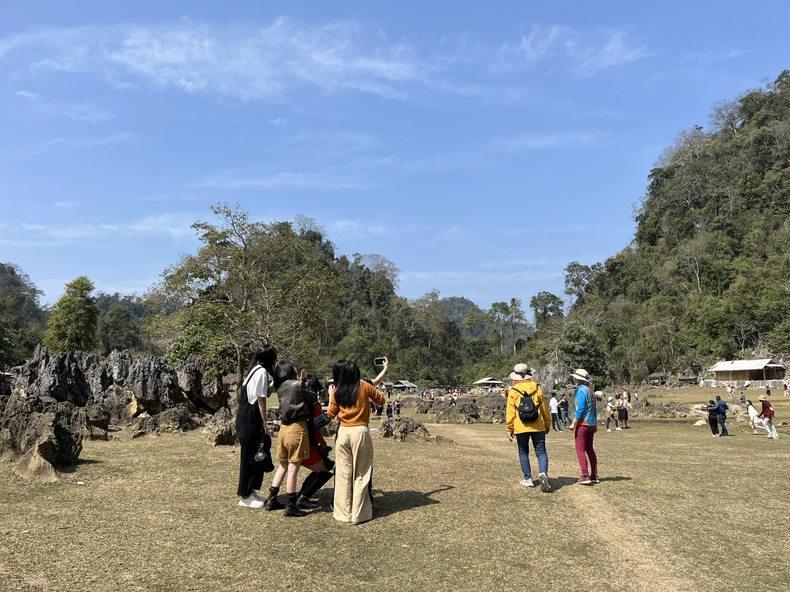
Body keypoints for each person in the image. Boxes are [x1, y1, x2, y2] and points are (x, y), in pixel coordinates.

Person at [327, 358, 388, 525]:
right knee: (361, 473)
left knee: (343, 473)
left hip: (343, 433)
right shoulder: (364, 387)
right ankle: (359, 514)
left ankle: (343, 513)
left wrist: (330, 395)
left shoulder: (337, 391)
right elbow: (381, 400)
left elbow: (331, 414)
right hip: (360, 432)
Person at [263, 362, 314, 517]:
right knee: (293, 467)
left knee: (283, 465)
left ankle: (272, 498)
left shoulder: (281, 387)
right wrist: (303, 381)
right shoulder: (298, 385)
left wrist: (299, 380)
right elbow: (312, 398)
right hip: (296, 427)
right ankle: (291, 505)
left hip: (283, 429)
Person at [236, 346, 277, 509]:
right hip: (250, 417)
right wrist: (264, 421)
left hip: (246, 415)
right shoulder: (260, 372)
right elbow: (261, 399)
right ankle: (244, 495)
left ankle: (250, 491)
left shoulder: (254, 370)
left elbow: (265, 392)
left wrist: (275, 383)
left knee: (254, 454)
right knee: (248, 456)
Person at [505, 364, 551, 492]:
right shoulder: (537, 389)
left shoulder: (513, 391)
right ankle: (543, 473)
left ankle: (528, 478)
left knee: (523, 451)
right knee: (541, 451)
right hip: (538, 426)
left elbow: (510, 412)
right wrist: (547, 424)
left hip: (521, 427)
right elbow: (545, 410)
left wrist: (509, 429)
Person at [293, 376, 336, 510]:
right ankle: (302, 498)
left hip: (292, 439)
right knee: (323, 470)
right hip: (307, 443)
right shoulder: (313, 404)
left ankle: (294, 497)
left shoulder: (295, 400)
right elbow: (316, 428)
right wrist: (322, 444)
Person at [569, 369, 597, 485]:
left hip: (583, 423)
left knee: (580, 449)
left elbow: (580, 408)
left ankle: (585, 475)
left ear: (579, 380)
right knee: (589, 449)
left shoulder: (581, 391)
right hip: (591, 423)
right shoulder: (591, 391)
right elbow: (594, 409)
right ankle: (594, 475)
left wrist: (574, 422)